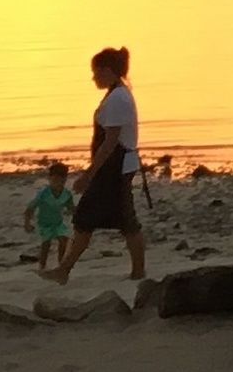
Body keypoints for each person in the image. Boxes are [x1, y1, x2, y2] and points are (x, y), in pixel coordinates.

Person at [77, 46, 148, 282]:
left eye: (95, 72)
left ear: (106, 70)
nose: (93, 77)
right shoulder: (116, 94)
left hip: (115, 167)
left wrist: (89, 173)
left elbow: (109, 142)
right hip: (115, 165)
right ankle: (64, 269)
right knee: (118, 219)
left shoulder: (118, 98)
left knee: (98, 217)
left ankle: (64, 269)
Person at [27, 157, 77, 278]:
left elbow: (71, 208)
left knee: (63, 241)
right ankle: (42, 266)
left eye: (60, 180)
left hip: (58, 222)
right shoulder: (44, 193)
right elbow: (31, 208)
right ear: (50, 179)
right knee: (46, 244)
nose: (57, 182)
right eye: (54, 179)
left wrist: (78, 218)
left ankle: (61, 265)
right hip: (44, 223)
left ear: (65, 180)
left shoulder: (66, 194)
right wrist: (27, 222)